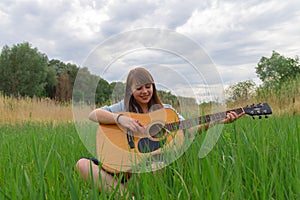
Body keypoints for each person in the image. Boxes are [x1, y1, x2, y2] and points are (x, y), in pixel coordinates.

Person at [76, 67, 243, 195]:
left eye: (148, 86)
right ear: (130, 91)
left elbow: (190, 130)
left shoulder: (167, 111)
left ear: (153, 87)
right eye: (139, 88)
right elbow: (93, 114)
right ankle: (127, 196)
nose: (145, 91)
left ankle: (131, 192)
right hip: (121, 163)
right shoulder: (123, 107)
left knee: (156, 165)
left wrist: (216, 122)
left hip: (146, 167)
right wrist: (120, 119)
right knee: (82, 164)